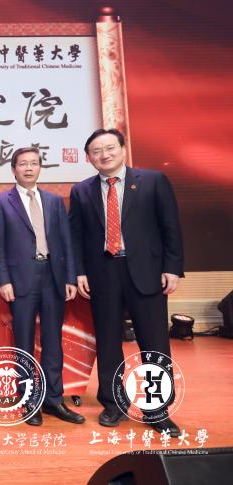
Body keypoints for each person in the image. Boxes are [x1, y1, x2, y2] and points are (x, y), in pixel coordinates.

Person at [69, 128, 183, 437]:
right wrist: (79, 272)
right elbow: (76, 236)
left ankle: (157, 410)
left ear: (122, 149)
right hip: (102, 274)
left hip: (147, 272)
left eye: (109, 148)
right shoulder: (81, 191)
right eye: (96, 151)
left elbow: (170, 227)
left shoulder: (153, 181)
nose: (104, 155)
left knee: (154, 343)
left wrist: (172, 268)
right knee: (108, 343)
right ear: (89, 158)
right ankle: (113, 404)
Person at [0, 147, 84, 426]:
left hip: (53, 276)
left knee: (53, 341)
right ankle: (28, 401)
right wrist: (3, 279)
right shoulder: (0, 202)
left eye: (34, 163)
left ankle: (54, 400)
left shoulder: (54, 201)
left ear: (40, 168)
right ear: (14, 169)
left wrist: (70, 277)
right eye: (23, 164)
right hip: (21, 278)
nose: (29, 168)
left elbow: (66, 241)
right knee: (23, 342)